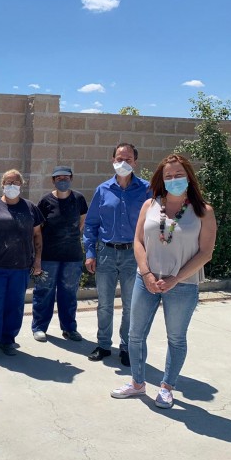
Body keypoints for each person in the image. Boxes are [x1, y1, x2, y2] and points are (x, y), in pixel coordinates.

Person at [110, 154, 216, 408]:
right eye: (168, 176)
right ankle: (137, 383)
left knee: (176, 338)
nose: (174, 180)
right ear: (161, 180)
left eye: (179, 175)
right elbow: (137, 241)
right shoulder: (150, 205)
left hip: (183, 285)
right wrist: (146, 273)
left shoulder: (203, 211)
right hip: (145, 281)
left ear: (189, 177)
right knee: (135, 335)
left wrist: (176, 278)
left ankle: (167, 387)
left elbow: (206, 252)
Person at [83, 143, 151, 365]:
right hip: (106, 253)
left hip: (134, 254)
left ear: (135, 162)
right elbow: (91, 224)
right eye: (119, 158)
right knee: (104, 303)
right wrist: (90, 252)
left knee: (131, 304)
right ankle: (103, 345)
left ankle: (126, 347)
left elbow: (154, 223)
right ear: (112, 160)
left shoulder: (146, 189)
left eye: (128, 159)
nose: (123, 163)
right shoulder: (103, 190)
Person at [0, 169, 44, 364]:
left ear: (21, 185)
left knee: (15, 306)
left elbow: (37, 234)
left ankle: (7, 340)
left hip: (21, 267)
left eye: (15, 182)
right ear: (2, 184)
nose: (11, 186)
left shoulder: (30, 208)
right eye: (8, 182)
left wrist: (37, 259)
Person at [31, 166, 88, 342]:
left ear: (71, 178)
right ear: (53, 181)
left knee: (69, 293)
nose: (62, 181)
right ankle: (39, 327)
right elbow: (37, 230)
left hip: (72, 257)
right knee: (44, 292)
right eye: (58, 178)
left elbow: (81, 222)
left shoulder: (79, 199)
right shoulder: (45, 201)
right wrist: (37, 258)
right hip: (49, 256)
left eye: (66, 178)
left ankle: (69, 328)